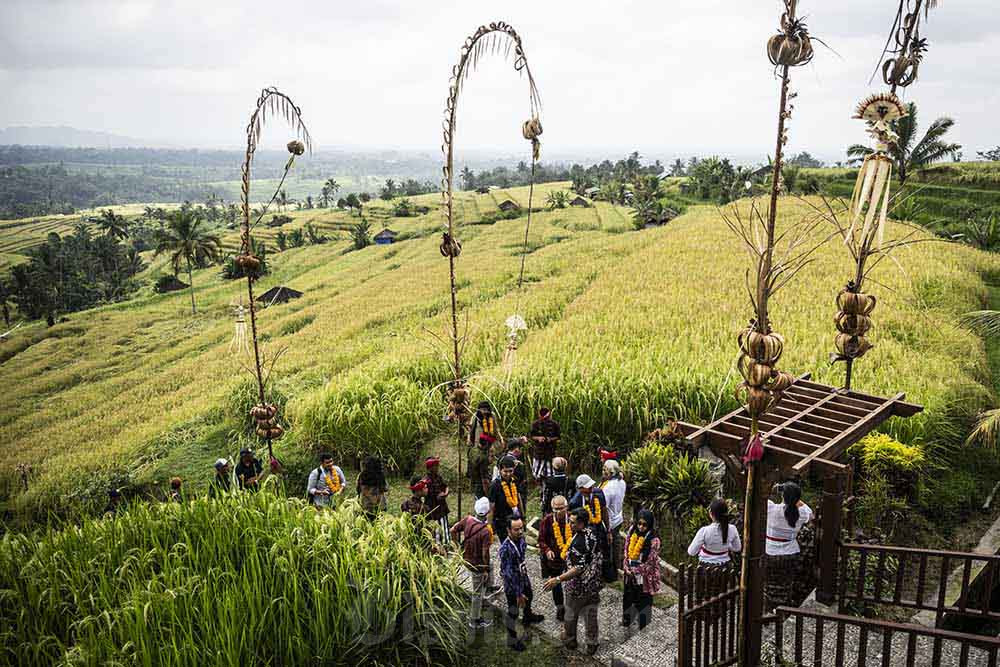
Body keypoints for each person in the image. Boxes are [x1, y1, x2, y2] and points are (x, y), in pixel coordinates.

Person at [544, 508, 603, 656]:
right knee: (591, 614)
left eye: (572, 522)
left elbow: (577, 569)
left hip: (577, 586)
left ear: (582, 524)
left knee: (570, 614)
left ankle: (570, 640)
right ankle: (592, 643)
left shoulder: (578, 543)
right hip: (593, 583)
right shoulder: (592, 532)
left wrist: (558, 579)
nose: (570, 525)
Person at [765, 481, 814, 607]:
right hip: (791, 553)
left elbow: (761, 497)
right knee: (786, 583)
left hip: (769, 551)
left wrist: (774, 489)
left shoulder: (771, 509)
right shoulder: (801, 514)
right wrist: (795, 498)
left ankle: (769, 606)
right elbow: (810, 512)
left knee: (768, 583)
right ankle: (784, 608)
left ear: (783, 496)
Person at [499, 517, 545, 651]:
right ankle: (512, 639)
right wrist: (518, 594)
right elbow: (508, 575)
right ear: (508, 530)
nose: (520, 532)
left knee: (529, 595)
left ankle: (528, 616)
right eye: (516, 529)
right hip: (512, 585)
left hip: (523, 576)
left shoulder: (521, 539)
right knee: (513, 612)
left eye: (521, 528)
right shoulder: (505, 549)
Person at [451, 497, 496, 629]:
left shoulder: (468, 520)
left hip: (466, 558)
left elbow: (453, 530)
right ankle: (475, 620)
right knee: (476, 594)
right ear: (487, 512)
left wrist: (457, 547)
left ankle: (488, 588)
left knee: (491, 565)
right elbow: (485, 554)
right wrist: (485, 569)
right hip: (477, 565)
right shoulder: (485, 531)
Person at [622, 509, 661, 630]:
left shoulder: (654, 540)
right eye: (639, 523)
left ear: (649, 524)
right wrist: (626, 566)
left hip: (644, 576)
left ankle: (644, 625)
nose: (641, 527)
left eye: (644, 524)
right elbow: (626, 549)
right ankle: (626, 620)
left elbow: (650, 562)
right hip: (630, 573)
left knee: (644, 599)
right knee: (628, 597)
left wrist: (635, 571)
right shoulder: (632, 531)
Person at [570, 474, 613, 582]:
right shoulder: (575, 502)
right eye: (587, 487)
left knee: (603, 554)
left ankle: (603, 576)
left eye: (591, 486)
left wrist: (608, 531)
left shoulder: (598, 493)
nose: (590, 488)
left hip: (599, 530)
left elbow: (604, 511)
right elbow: (573, 523)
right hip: (585, 535)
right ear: (580, 488)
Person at [537, 494, 573, 621]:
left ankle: (573, 606)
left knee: (571, 582)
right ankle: (560, 608)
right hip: (554, 560)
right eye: (555, 509)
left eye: (561, 508)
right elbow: (541, 540)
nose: (558, 511)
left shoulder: (573, 519)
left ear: (566, 507)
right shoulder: (547, 520)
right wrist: (547, 550)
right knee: (556, 584)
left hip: (570, 557)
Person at [687, 498, 742, 565]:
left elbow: (691, 552)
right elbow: (737, 548)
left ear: (711, 513)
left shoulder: (704, 531)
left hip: (705, 568)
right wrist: (726, 545)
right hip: (725, 567)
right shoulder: (732, 529)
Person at [488, 456, 524, 543]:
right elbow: (491, 507)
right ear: (500, 470)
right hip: (501, 521)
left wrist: (523, 516)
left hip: (515, 518)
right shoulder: (495, 485)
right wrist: (489, 526)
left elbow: (518, 499)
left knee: (518, 542)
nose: (508, 474)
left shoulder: (514, 481)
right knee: (506, 544)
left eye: (510, 471)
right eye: (505, 471)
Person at [600, 459, 627, 572]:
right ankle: (617, 567)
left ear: (609, 472)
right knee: (616, 543)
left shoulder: (607, 488)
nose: (602, 471)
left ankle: (610, 571)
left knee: (608, 545)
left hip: (609, 520)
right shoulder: (622, 482)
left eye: (604, 469)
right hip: (618, 517)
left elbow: (603, 507)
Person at [423, 456, 451, 545]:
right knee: (436, 529)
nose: (437, 468)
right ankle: (437, 546)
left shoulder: (438, 477)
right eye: (435, 466)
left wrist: (445, 493)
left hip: (442, 507)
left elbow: (445, 486)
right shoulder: (426, 481)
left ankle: (446, 543)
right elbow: (429, 495)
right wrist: (439, 496)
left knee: (444, 525)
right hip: (433, 508)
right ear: (430, 468)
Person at [529, 407, 560, 485]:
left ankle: (549, 486)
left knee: (550, 474)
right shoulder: (535, 424)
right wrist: (538, 438)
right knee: (537, 474)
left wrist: (551, 439)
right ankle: (539, 488)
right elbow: (531, 436)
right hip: (539, 453)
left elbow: (558, 436)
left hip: (550, 452)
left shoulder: (554, 424)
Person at [468, 430, 493, 499]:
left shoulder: (472, 450)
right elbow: (484, 480)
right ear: (487, 445)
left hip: (474, 481)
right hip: (480, 486)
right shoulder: (483, 458)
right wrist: (488, 495)